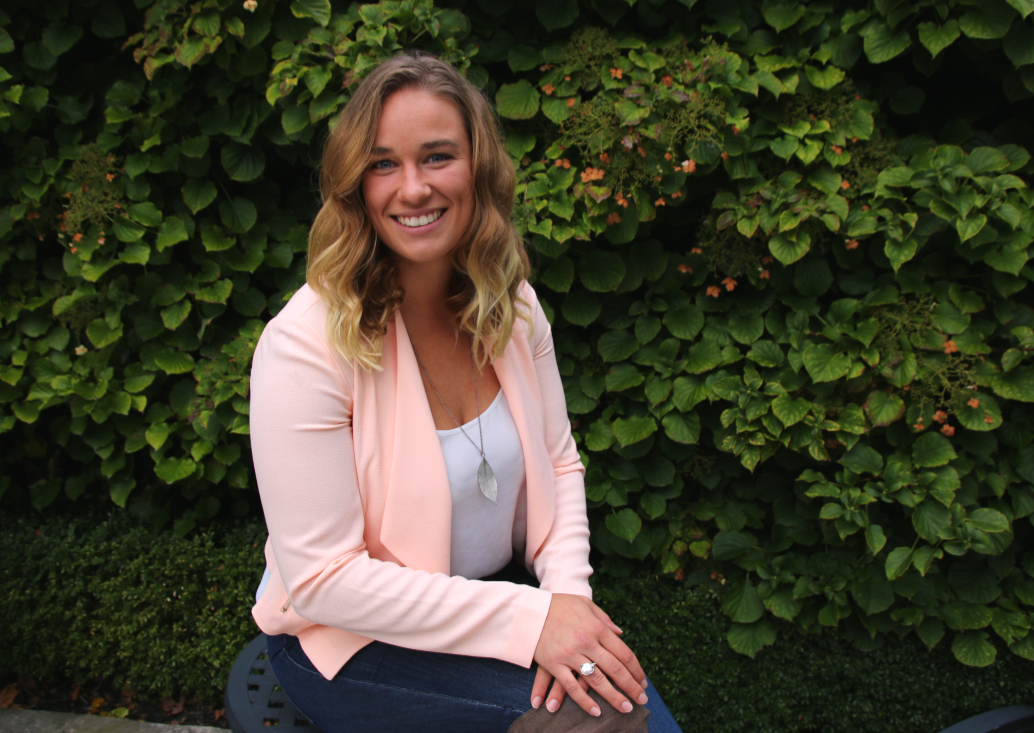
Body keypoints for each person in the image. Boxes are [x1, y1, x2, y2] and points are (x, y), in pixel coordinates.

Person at [248, 50, 684, 732]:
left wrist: (567, 600)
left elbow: (560, 460)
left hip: (488, 603)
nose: (413, 187)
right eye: (384, 163)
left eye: (437, 156)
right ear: (355, 184)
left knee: (617, 702)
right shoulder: (304, 346)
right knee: (607, 722)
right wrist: (533, 617)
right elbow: (323, 579)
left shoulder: (513, 309)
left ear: (478, 169)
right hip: (346, 643)